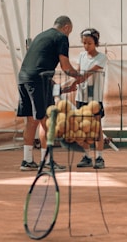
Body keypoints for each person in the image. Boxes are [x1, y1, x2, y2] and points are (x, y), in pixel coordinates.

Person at [17, 15, 83, 171]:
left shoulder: (41, 36)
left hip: (23, 77)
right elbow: (65, 67)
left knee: (32, 120)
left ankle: (27, 160)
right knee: (47, 120)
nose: (68, 35)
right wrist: (79, 76)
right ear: (66, 27)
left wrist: (60, 87)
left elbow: (38, 63)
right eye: (69, 32)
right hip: (39, 79)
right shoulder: (61, 37)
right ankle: (47, 161)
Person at [74, 28, 108, 169]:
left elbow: (88, 73)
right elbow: (77, 72)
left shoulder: (101, 57)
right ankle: (87, 156)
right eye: (84, 43)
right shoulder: (81, 56)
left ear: (96, 43)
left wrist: (75, 80)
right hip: (80, 97)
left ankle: (99, 157)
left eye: (89, 43)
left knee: (97, 128)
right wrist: (73, 82)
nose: (86, 46)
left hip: (94, 98)